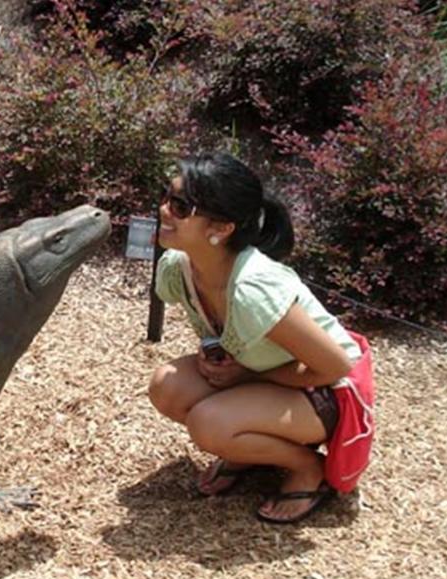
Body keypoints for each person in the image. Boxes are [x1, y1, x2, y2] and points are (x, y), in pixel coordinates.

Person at [147, 152, 364, 524]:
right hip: (273, 378)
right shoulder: (178, 268)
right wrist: (214, 353)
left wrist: (246, 377)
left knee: (209, 424)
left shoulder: (254, 287)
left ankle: (308, 469)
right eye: (166, 196)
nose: (164, 209)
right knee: (166, 386)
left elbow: (336, 367)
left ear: (222, 227)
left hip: (328, 396)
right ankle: (249, 450)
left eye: (181, 206)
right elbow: (224, 331)